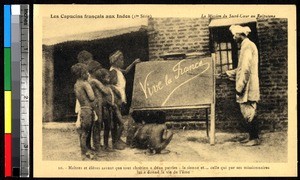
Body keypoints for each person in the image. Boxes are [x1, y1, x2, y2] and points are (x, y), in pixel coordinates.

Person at [225, 25, 260, 146]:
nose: (234, 38)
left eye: (235, 35)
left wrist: (239, 87)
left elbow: (245, 70)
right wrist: (227, 73)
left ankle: (254, 139)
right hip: (247, 85)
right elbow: (241, 68)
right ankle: (251, 137)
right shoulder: (246, 46)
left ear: (240, 35)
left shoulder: (247, 46)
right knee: (247, 112)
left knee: (249, 112)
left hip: (248, 86)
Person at [109, 50, 141, 150]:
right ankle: (115, 141)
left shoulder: (117, 70)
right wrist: (117, 94)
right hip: (116, 99)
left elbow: (126, 71)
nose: (123, 61)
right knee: (119, 122)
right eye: (121, 60)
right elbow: (110, 85)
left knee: (118, 121)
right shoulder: (113, 72)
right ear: (115, 61)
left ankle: (117, 139)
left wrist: (133, 63)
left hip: (120, 99)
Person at [71, 63, 96, 159]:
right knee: (85, 132)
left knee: (84, 132)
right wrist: (90, 85)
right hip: (88, 110)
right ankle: (84, 154)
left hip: (82, 109)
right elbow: (92, 97)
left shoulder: (76, 84)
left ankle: (86, 151)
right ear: (82, 73)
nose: (88, 74)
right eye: (87, 72)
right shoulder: (85, 84)